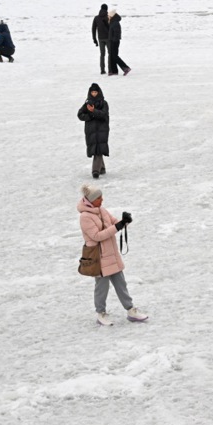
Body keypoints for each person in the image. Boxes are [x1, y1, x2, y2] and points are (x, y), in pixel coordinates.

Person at [77, 184, 148, 326]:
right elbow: (97, 236)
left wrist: (125, 221)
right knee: (101, 288)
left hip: (112, 255)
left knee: (121, 284)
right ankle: (100, 313)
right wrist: (117, 226)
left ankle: (130, 310)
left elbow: (115, 223)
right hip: (99, 258)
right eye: (99, 198)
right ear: (91, 200)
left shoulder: (101, 210)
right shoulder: (85, 217)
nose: (102, 199)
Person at [77, 83, 109, 178]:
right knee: (96, 148)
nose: (94, 94)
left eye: (95, 92)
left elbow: (104, 114)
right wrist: (90, 116)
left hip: (102, 129)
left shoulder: (104, 103)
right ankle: (102, 168)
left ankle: (95, 171)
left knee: (98, 150)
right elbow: (80, 115)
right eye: (92, 92)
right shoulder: (87, 104)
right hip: (91, 130)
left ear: (99, 92)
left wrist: (93, 111)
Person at [107, 10, 131, 76]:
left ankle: (126, 68)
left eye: (109, 15)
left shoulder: (115, 23)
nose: (108, 16)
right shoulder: (112, 22)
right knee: (112, 56)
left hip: (115, 41)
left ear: (112, 16)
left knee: (114, 56)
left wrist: (114, 40)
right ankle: (114, 71)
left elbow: (117, 33)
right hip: (112, 40)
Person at [91, 3, 110, 75]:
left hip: (100, 38)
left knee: (102, 55)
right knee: (110, 54)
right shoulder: (108, 17)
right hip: (108, 38)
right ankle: (110, 69)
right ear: (106, 9)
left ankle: (102, 70)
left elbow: (93, 29)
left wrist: (94, 39)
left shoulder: (96, 18)